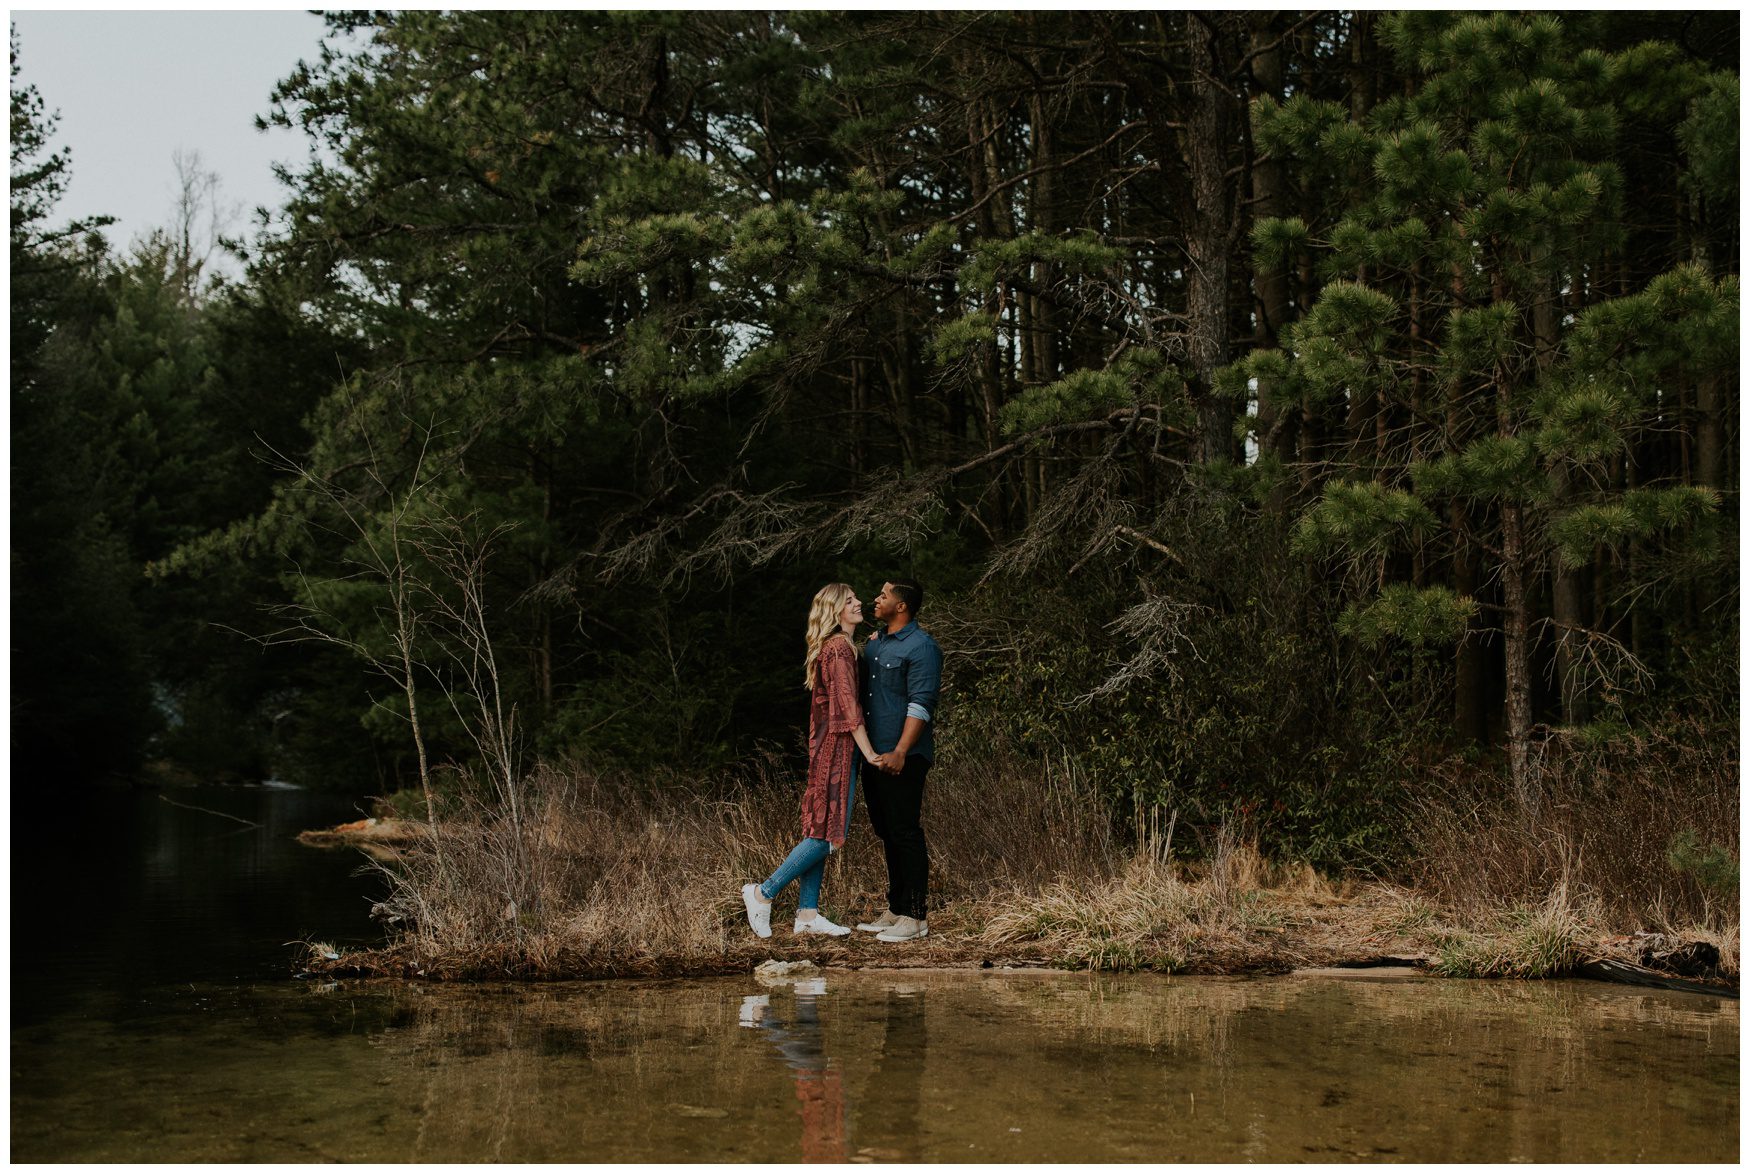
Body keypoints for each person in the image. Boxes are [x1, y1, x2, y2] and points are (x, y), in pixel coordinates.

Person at [742, 583, 881, 938]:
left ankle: (807, 915)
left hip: (833, 749)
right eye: (849, 601)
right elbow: (849, 708)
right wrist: (869, 753)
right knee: (828, 835)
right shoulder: (837, 649)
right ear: (835, 611)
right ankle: (763, 893)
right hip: (837, 751)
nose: (859, 602)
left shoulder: (843, 646)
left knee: (821, 830)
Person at [856, 578, 942, 943]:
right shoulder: (877, 644)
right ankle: (896, 908)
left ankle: (916, 917)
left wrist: (901, 751)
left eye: (883, 596)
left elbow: (921, 704)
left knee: (906, 831)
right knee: (886, 830)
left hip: (904, 756)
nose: (876, 599)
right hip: (874, 756)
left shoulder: (923, 647)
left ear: (902, 606)